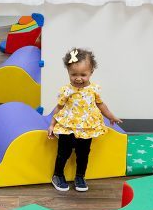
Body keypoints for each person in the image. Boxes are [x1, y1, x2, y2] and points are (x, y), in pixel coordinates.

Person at [46, 48, 121, 192]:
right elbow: (59, 107)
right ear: (68, 72)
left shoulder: (94, 89)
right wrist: (52, 124)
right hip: (68, 126)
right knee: (63, 153)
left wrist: (111, 116)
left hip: (87, 127)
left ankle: (80, 176)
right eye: (73, 74)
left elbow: (100, 105)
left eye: (83, 74)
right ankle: (57, 175)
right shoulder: (66, 90)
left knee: (83, 154)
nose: (78, 78)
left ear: (91, 72)